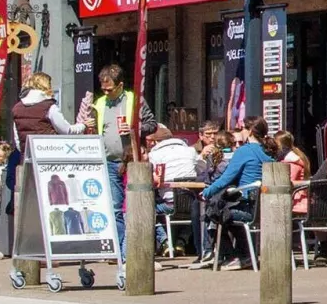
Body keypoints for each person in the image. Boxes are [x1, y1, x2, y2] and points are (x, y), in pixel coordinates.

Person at [90, 63, 158, 266]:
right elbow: (97, 131)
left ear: (120, 85)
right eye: (103, 88)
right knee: (114, 208)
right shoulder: (100, 103)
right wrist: (89, 125)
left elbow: (152, 124)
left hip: (131, 161)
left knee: (134, 207)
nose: (106, 92)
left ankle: (133, 250)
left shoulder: (134, 101)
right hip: (109, 161)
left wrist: (134, 129)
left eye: (109, 89)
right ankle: (120, 251)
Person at [192, 117, 274, 270]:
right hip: (265, 206)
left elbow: (225, 179)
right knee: (225, 213)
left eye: (243, 128)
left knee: (213, 213)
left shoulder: (244, 151)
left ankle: (235, 256)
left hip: (248, 206)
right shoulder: (268, 150)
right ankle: (245, 254)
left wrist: (207, 192)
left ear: (249, 131)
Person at [146, 125, 200, 255]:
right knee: (196, 210)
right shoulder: (191, 151)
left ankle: (165, 241)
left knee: (148, 209)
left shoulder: (153, 155)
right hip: (191, 201)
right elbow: (200, 170)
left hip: (169, 203)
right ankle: (181, 240)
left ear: (155, 141)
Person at [10, 72, 86, 147]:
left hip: (27, 157)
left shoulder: (17, 108)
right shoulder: (49, 106)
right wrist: (83, 125)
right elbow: (66, 131)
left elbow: (18, 141)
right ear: (46, 86)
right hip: (48, 155)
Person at [276, 132, 311, 216]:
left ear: (279, 145)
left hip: (297, 203)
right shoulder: (298, 157)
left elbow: (287, 183)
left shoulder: (291, 163)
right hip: (300, 200)